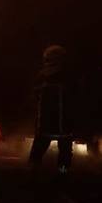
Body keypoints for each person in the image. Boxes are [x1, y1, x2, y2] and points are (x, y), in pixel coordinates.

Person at [29, 45, 77, 174]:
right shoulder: (69, 77)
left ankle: (33, 177)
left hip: (45, 126)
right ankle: (62, 176)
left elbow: (34, 98)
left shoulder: (41, 78)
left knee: (36, 156)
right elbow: (76, 98)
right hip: (64, 127)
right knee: (64, 157)